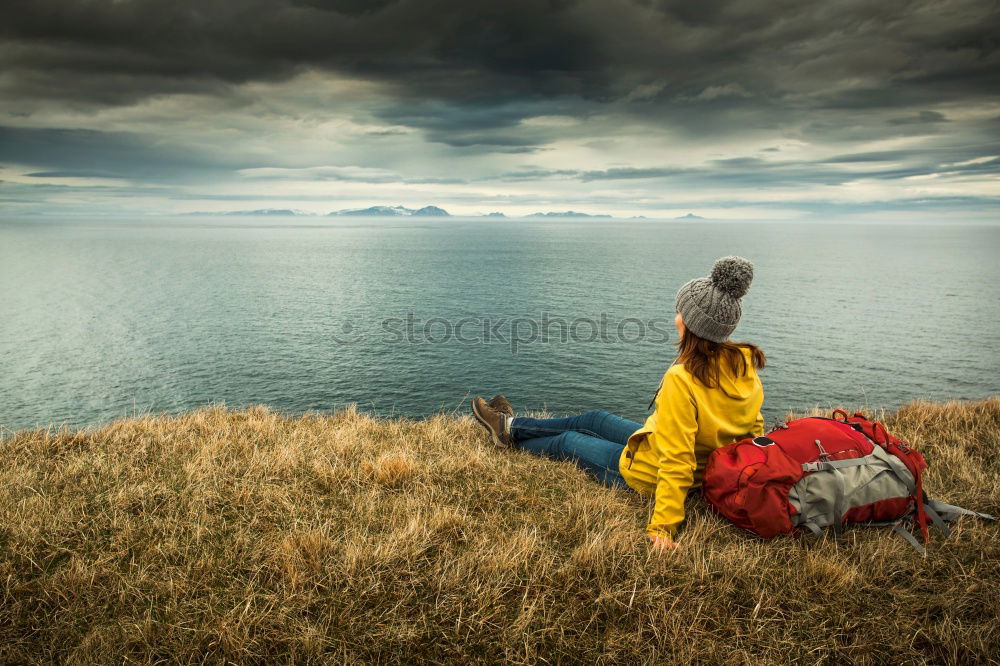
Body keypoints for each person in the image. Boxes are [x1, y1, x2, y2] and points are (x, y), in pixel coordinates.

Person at [471, 256, 766, 551]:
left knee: (567, 441)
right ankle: (509, 426)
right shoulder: (743, 367)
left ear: (691, 323)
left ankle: (509, 438)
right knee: (594, 419)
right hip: (669, 449)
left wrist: (663, 527)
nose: (675, 317)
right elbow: (754, 432)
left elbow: (678, 458)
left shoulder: (683, 378)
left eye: (679, 312)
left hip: (645, 473)